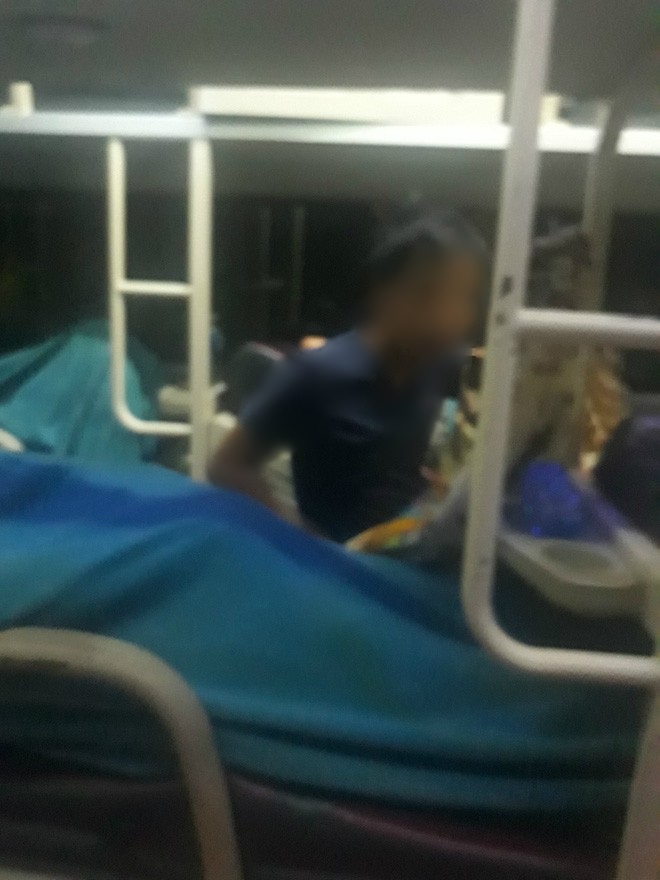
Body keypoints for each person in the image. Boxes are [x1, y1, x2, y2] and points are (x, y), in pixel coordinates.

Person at [208, 211, 487, 541]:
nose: (447, 316)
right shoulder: (317, 373)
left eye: (464, 298)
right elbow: (226, 467)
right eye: (426, 294)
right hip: (339, 561)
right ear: (383, 292)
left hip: (407, 547)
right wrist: (301, 539)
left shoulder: (438, 365)